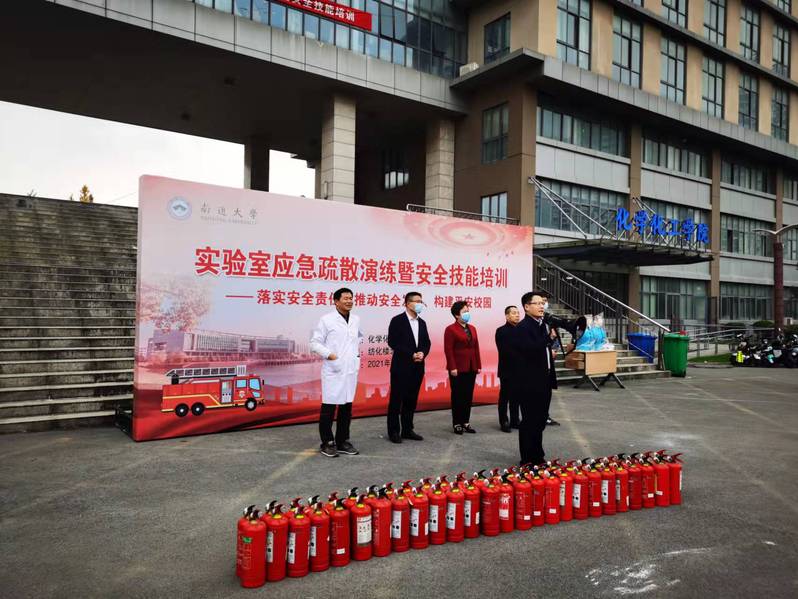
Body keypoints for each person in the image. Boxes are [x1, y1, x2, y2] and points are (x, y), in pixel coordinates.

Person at [309, 287, 363, 458]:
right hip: (334, 369)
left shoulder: (356, 319)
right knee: (329, 407)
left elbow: (356, 339)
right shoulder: (326, 320)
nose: (349, 301)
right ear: (336, 301)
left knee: (347, 407)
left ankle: (342, 441)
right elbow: (314, 343)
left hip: (350, 370)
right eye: (345, 298)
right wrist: (330, 355)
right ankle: (327, 442)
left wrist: (356, 356)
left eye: (351, 298)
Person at [516, 291, 558, 465]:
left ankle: (538, 456)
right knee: (529, 421)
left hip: (544, 379)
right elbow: (530, 349)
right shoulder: (523, 327)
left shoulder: (542, 325)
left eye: (543, 303)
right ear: (527, 307)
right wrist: (548, 339)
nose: (542, 306)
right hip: (529, 382)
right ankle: (527, 459)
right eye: (538, 303)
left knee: (540, 420)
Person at [386, 291, 431, 443]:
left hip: (418, 367)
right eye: (417, 301)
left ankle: (407, 429)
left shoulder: (422, 322)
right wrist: (411, 354)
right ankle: (393, 431)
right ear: (407, 303)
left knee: (411, 399)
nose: (420, 304)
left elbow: (426, 342)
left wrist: (423, 353)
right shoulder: (397, 320)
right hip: (401, 366)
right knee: (396, 400)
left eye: (421, 301)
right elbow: (393, 342)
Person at [443, 300, 481, 435]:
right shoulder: (450, 329)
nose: (467, 313)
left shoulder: (473, 328)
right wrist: (452, 367)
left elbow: (476, 348)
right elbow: (448, 350)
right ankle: (457, 423)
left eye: (468, 311)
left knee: (468, 395)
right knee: (458, 396)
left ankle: (466, 422)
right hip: (457, 368)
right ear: (456, 315)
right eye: (464, 312)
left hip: (471, 367)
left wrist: (478, 365)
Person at [495, 305, 522, 433]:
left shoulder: (522, 330)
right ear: (507, 316)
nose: (517, 315)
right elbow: (504, 350)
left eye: (518, 313)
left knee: (516, 396)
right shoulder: (501, 331)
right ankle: (504, 421)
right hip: (507, 369)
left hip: (520, 369)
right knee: (504, 397)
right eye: (514, 313)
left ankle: (515, 420)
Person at [537, 290, 561, 427]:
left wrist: (554, 349)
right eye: (541, 302)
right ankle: (539, 416)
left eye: (545, 301)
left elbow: (555, 336)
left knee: (547, 392)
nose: (543, 304)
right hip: (538, 363)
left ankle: (545, 415)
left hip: (548, 361)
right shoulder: (534, 323)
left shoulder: (549, 320)